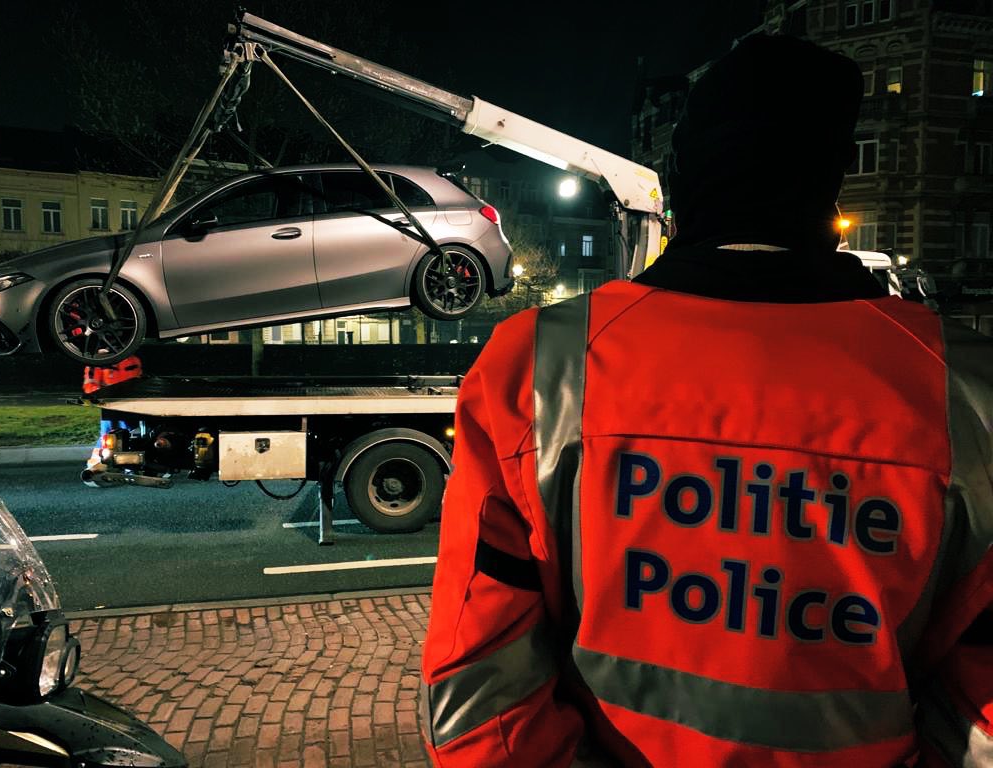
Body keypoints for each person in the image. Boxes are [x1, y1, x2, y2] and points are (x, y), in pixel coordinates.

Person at [419, 34, 993, 767]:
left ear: (680, 182)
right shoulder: (965, 393)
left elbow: (479, 694)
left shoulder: (536, 367)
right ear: (830, 187)